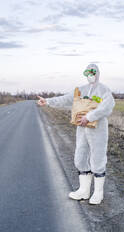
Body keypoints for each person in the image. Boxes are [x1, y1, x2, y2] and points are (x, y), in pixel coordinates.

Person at [37, 63, 115, 204]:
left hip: (98, 130)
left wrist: (90, 117)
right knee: (80, 158)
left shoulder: (104, 90)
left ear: (97, 73)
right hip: (82, 129)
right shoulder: (80, 90)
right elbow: (65, 99)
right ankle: (84, 191)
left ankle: (98, 193)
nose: (90, 76)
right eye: (87, 73)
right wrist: (47, 101)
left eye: (93, 72)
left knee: (97, 159)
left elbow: (107, 107)